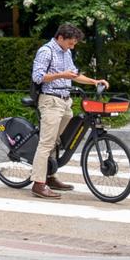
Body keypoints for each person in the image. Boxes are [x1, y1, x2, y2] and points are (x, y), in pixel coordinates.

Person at [30, 22, 109, 200]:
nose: (73, 46)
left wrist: (95, 81)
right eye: (71, 43)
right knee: (47, 142)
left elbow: (74, 75)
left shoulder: (66, 52)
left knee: (57, 141)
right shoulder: (46, 51)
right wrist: (61, 75)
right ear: (60, 38)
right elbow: (37, 76)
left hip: (65, 102)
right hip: (50, 100)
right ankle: (38, 184)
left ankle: (49, 176)